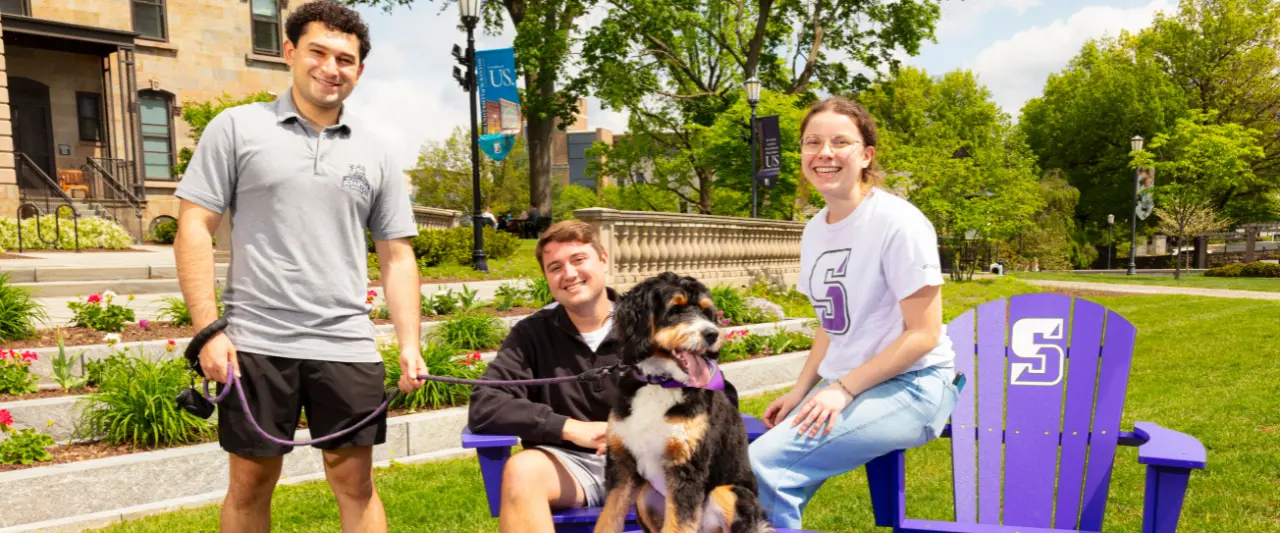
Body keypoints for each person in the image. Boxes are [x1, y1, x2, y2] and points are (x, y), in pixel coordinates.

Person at [172, 2, 426, 532]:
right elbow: (194, 228)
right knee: (250, 485)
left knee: (355, 482)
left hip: (345, 345)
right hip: (257, 343)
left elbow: (396, 255)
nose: (331, 68)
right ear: (290, 52)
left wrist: (409, 344)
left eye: (346, 59)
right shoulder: (236, 128)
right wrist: (208, 333)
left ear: (360, 70)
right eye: (318, 52)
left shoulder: (376, 153)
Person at [747, 96, 960, 528]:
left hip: (915, 384)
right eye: (812, 142)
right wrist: (801, 389)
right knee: (756, 478)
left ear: (866, 155)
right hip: (850, 383)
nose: (824, 153)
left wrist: (841, 390)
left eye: (840, 141)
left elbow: (924, 334)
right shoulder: (815, 229)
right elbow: (832, 325)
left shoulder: (898, 223)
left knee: (762, 465)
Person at [466, 220, 739, 533]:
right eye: (555, 267)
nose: (569, 274)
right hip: (571, 464)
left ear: (604, 259)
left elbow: (721, 397)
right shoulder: (531, 334)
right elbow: (485, 403)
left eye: (579, 260)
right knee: (522, 470)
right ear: (547, 278)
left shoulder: (651, 320)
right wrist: (569, 428)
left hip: (654, 467)